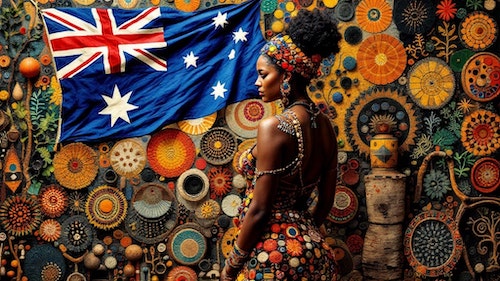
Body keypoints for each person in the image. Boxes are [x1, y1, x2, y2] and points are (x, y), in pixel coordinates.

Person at [221, 8, 342, 281]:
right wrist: (302, 233)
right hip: (315, 253)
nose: (257, 82)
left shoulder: (274, 127)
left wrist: (230, 268)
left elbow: (261, 210)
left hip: (273, 257)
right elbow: (325, 204)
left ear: (287, 74)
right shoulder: (326, 127)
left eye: (263, 75)